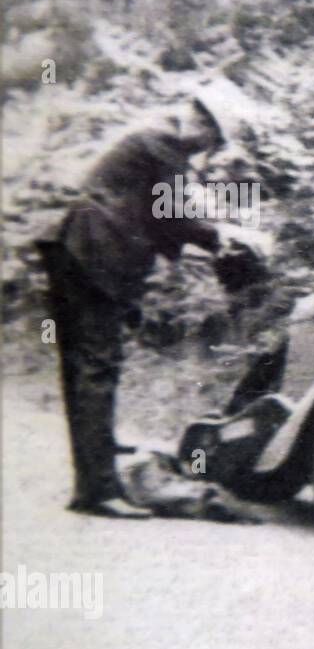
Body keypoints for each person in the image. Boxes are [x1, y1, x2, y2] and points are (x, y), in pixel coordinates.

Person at [34, 97, 240, 517]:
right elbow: (172, 214)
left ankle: (93, 480)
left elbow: (156, 217)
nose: (204, 149)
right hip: (95, 252)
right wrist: (219, 238)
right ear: (201, 123)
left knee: (82, 369)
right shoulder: (164, 144)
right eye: (208, 140)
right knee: (98, 367)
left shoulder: (153, 142)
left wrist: (197, 240)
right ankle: (99, 491)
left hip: (74, 249)